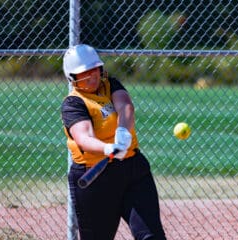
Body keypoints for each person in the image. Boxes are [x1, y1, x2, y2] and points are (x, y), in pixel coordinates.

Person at [61, 44, 166, 240]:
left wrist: (123, 133)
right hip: (95, 177)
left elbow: (125, 105)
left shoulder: (110, 84)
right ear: (72, 78)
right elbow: (84, 137)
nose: (93, 78)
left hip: (132, 169)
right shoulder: (73, 104)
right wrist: (107, 147)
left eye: (95, 71)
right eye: (85, 74)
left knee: (151, 236)